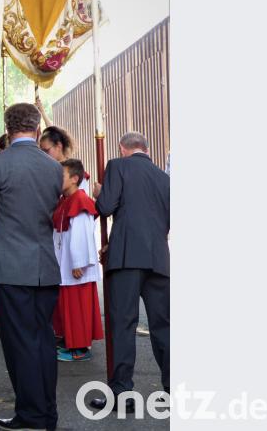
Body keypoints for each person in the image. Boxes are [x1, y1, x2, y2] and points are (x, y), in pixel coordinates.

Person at [0, 103, 63, 431]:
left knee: (20, 343)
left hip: (10, 266)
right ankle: (46, 412)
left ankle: (32, 415)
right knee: (43, 341)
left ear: (8, 130)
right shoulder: (53, 167)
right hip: (44, 265)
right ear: (37, 129)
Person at [88, 132, 170, 413]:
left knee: (123, 325)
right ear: (145, 149)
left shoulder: (117, 166)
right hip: (158, 258)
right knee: (163, 326)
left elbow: (106, 207)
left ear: (123, 149)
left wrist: (99, 193)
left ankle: (122, 393)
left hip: (126, 258)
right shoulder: (165, 178)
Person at [52, 159, 104, 363]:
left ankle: (80, 349)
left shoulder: (80, 200)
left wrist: (78, 263)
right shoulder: (66, 199)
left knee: (77, 308)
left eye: (61, 175)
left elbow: (81, 235)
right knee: (68, 305)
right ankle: (70, 341)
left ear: (74, 179)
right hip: (66, 263)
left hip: (76, 267)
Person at [39, 125, 93, 195]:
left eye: (46, 150)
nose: (43, 154)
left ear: (59, 146)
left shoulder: (75, 172)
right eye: (41, 151)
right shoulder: (44, 171)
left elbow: (80, 199)